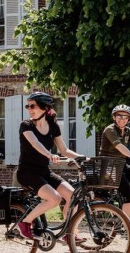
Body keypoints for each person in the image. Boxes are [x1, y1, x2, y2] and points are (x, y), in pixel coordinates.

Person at [16, 92, 85, 239]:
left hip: (44, 172)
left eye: (32, 105)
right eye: (27, 105)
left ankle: (69, 231)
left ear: (44, 107)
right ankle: (25, 222)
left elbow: (64, 150)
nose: (29, 108)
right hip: (27, 173)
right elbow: (35, 143)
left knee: (74, 196)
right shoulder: (26, 125)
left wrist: (83, 158)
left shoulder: (53, 126)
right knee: (55, 198)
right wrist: (49, 155)